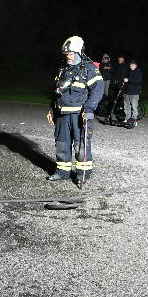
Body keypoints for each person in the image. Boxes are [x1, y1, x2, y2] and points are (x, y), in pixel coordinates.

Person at [46, 36, 105, 188]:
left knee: (81, 146)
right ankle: (62, 172)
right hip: (62, 115)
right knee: (62, 144)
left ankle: (82, 175)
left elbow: (98, 90)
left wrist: (89, 109)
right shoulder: (63, 68)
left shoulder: (89, 68)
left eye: (71, 54)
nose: (68, 56)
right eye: (66, 54)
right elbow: (57, 92)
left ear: (79, 52)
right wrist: (52, 110)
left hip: (80, 115)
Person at [122, 60, 142, 128]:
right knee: (127, 106)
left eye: (133, 65)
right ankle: (127, 119)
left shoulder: (138, 72)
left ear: (136, 65)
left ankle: (134, 120)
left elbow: (138, 81)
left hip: (135, 92)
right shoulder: (129, 72)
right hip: (127, 92)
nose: (132, 66)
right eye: (131, 65)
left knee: (134, 106)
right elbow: (125, 81)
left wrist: (128, 80)